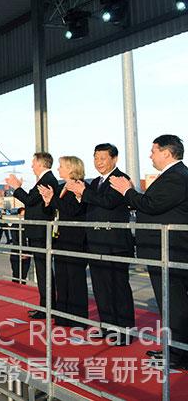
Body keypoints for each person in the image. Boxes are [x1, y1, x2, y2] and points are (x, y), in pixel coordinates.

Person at [110, 134, 188, 368]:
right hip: (164, 250)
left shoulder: (176, 177)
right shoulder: (174, 175)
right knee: (171, 304)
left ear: (167, 152)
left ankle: (178, 356)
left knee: (174, 305)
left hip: (169, 250)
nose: (150, 155)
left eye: (153, 151)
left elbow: (151, 205)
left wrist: (127, 191)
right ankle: (173, 349)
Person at [64, 144, 135, 344]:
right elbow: (89, 205)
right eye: (95, 158)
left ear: (114, 159)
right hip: (95, 242)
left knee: (117, 288)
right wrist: (79, 195)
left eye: (103, 158)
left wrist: (83, 192)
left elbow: (109, 202)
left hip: (115, 243)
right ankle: (107, 327)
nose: (98, 162)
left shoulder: (120, 179)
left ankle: (124, 333)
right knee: (101, 288)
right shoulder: (95, 182)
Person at [6, 152, 59, 319]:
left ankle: (47, 307)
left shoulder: (47, 180)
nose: (31, 166)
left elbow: (29, 201)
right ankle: (46, 305)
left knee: (43, 271)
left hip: (40, 232)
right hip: (38, 232)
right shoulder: (45, 179)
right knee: (43, 271)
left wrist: (16, 187)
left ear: (41, 164)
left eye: (33, 163)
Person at [38, 156, 89, 328]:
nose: (58, 169)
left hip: (75, 239)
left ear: (71, 168)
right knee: (61, 278)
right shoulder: (61, 188)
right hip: (59, 238)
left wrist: (53, 199)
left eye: (61, 166)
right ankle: (62, 316)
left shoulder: (80, 187)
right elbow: (51, 210)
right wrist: (47, 202)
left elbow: (73, 210)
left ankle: (78, 319)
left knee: (75, 279)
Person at [7, 207, 31, 284]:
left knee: (24, 276)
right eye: (22, 215)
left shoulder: (29, 226)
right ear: (18, 215)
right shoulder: (15, 226)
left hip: (27, 254)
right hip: (16, 254)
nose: (24, 217)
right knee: (16, 275)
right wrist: (21, 253)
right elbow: (15, 241)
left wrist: (28, 253)